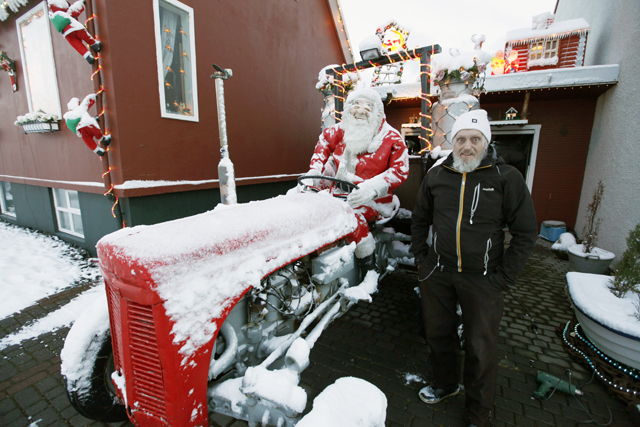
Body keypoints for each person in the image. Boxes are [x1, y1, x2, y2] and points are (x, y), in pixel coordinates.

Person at [410, 109, 537, 427]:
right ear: (453, 142)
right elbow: (419, 217)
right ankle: (446, 384)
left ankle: (478, 413)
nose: (467, 146)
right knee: (439, 335)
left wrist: (503, 278)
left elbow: (525, 232)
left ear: (486, 142)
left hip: (483, 280)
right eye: (461, 139)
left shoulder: (506, 178)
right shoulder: (437, 175)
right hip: (437, 273)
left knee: (481, 348)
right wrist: (421, 259)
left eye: (475, 139)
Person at [306, 88, 409, 269]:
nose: (361, 110)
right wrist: (314, 170)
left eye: (368, 106)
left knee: (349, 215)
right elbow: (323, 143)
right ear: (348, 108)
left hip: (374, 199)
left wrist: (371, 189)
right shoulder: (340, 130)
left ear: (377, 110)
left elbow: (400, 170)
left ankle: (366, 261)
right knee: (308, 206)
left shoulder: (392, 138)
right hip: (338, 192)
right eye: (356, 104)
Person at [48, 0, 102, 64]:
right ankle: (94, 44)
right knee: (84, 35)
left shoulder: (53, 16)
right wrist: (81, 3)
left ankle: (88, 56)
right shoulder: (65, 13)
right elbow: (74, 10)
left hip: (66, 34)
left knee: (77, 45)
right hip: (73, 26)